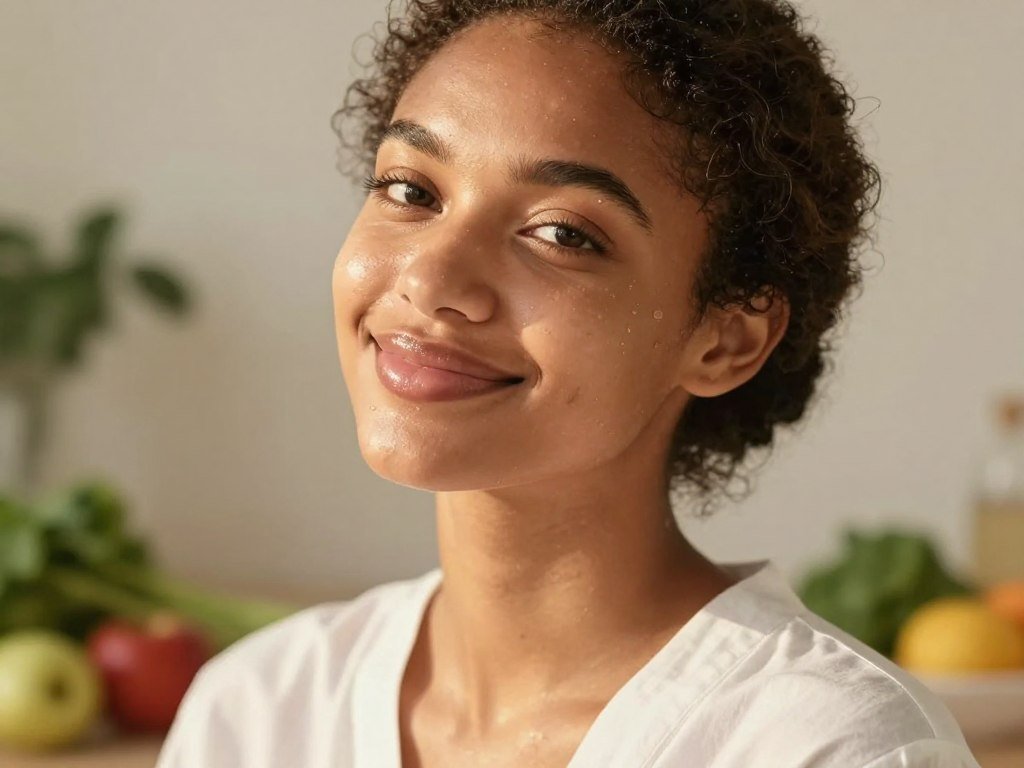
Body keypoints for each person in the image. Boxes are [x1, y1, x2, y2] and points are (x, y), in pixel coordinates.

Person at [156, 1, 981, 766]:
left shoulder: (831, 748)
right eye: (411, 190)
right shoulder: (258, 714)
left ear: (724, 339)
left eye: (561, 233)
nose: (433, 279)